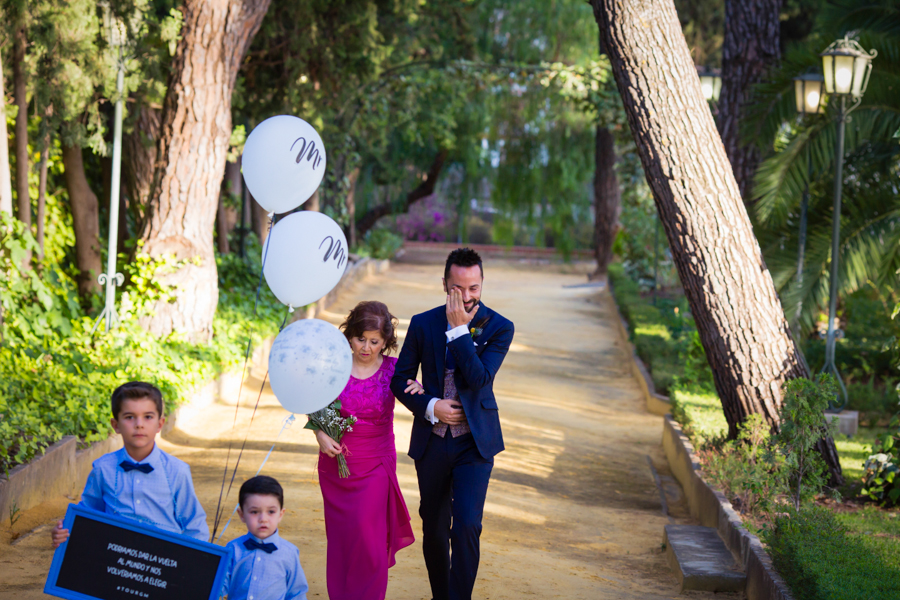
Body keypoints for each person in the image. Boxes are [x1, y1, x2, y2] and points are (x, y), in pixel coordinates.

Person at [390, 248, 514, 600]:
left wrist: (460, 331)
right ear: (445, 285)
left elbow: (478, 379)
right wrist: (431, 405)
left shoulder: (500, 327)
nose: (468, 296)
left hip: (474, 442)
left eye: (474, 288)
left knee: (467, 527)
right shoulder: (423, 323)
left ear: (482, 284)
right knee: (434, 527)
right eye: (458, 289)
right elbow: (400, 379)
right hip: (432, 440)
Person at [311, 301, 418, 600]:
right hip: (336, 466)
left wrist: (423, 394)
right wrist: (320, 433)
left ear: (386, 341)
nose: (367, 347)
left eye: (375, 341)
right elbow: (314, 406)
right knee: (344, 540)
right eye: (361, 339)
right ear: (349, 335)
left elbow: (417, 397)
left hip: (377, 465)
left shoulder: (394, 371)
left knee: (370, 542)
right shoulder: (333, 367)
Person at [51, 381, 208, 547]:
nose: (139, 424)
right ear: (116, 425)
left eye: (148, 417)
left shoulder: (177, 471)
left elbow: (195, 525)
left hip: (162, 563)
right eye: (129, 417)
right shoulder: (103, 468)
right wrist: (64, 530)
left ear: (159, 424)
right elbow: (88, 514)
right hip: (115, 561)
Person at [220, 476, 308, 600]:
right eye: (254, 512)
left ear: (280, 514)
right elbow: (219, 586)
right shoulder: (233, 548)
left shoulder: (289, 552)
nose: (263, 519)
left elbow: (296, 593)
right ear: (242, 515)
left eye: (271, 512)